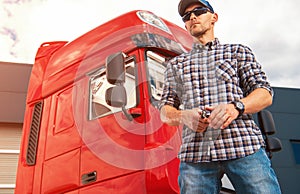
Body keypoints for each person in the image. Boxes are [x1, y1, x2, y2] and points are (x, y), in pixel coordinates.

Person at [159, 0, 282, 193]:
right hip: (195, 157)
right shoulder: (176, 66)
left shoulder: (237, 52)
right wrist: (184, 116)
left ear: (214, 18)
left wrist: (235, 107)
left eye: (199, 11)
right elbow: (165, 112)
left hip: (243, 147)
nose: (192, 17)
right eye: (186, 16)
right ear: (185, 24)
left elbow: (265, 93)